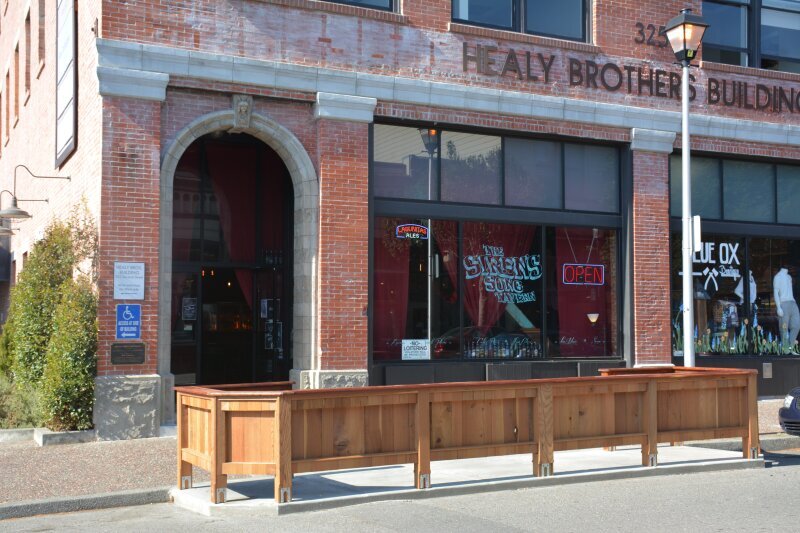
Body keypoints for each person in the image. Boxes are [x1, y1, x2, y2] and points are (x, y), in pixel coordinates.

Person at [773, 267, 800, 347]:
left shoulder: (789, 277)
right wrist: (778, 307)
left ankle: (790, 347)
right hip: (783, 303)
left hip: (793, 302)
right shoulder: (777, 277)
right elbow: (776, 292)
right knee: (784, 328)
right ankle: (786, 349)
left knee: (796, 325)